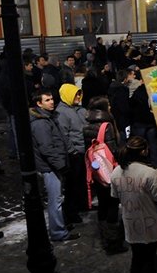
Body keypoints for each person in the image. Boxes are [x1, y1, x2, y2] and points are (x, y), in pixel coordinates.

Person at [110, 136, 157, 273]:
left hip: (130, 220)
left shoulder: (116, 172)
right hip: (148, 220)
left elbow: (115, 196)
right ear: (144, 151)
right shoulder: (149, 173)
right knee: (149, 259)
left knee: (137, 257)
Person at [29, 90, 80, 242]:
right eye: (47, 100)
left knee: (58, 198)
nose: (51, 102)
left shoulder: (49, 117)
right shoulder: (40, 122)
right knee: (55, 200)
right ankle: (58, 232)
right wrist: (60, 165)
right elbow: (47, 148)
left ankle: (61, 225)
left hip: (55, 164)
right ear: (39, 103)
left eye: (52, 99)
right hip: (50, 167)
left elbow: (61, 139)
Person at [83, 96, 126, 255]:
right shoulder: (106, 126)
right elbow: (113, 150)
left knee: (102, 203)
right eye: (108, 104)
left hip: (96, 171)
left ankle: (104, 236)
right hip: (109, 171)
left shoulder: (87, 125)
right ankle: (113, 241)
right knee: (112, 204)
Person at [55, 83, 88, 224]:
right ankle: (71, 211)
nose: (79, 97)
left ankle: (82, 205)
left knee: (81, 181)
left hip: (83, 150)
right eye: (76, 94)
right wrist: (72, 151)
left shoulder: (79, 109)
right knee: (72, 184)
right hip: (74, 153)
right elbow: (64, 135)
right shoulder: (62, 112)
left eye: (80, 94)